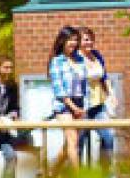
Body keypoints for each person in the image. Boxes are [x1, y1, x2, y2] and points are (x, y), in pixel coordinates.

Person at [48, 26, 87, 175]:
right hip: (63, 105)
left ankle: (51, 172)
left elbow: (85, 86)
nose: (74, 42)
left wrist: (83, 107)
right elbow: (59, 90)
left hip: (79, 103)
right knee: (73, 141)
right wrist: (72, 106)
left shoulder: (80, 60)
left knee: (68, 146)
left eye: (76, 39)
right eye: (71, 39)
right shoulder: (57, 61)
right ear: (63, 41)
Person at [76, 27, 115, 175]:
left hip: (99, 105)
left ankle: (105, 172)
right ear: (79, 42)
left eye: (91, 39)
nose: (90, 42)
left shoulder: (97, 55)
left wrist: (111, 94)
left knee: (108, 137)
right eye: (86, 39)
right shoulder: (76, 59)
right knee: (79, 142)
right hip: (82, 107)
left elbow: (105, 77)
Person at [0, 57, 20, 178]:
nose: (9, 71)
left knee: (12, 156)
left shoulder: (13, 86)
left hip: (5, 133)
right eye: (6, 67)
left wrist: (14, 114)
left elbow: (15, 107)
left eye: (11, 68)